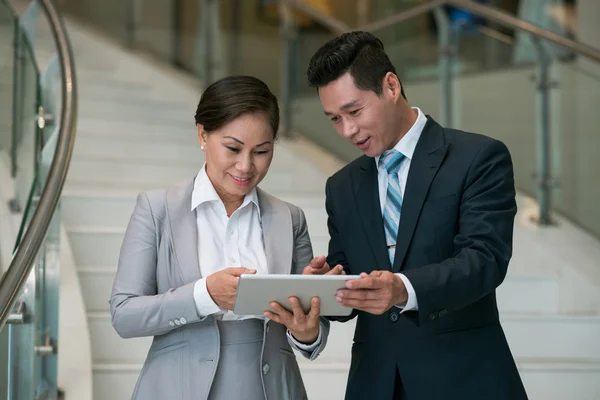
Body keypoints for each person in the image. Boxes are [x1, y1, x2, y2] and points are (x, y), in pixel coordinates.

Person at [303, 31, 528, 400]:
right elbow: (351, 280)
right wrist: (323, 290)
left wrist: (402, 289)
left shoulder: (478, 157)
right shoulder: (342, 186)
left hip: (464, 380)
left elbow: (485, 260)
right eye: (334, 119)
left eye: (355, 112)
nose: (348, 130)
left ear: (391, 86)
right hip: (374, 384)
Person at [110, 75, 331, 400]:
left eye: (262, 151)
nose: (245, 166)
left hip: (270, 388)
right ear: (202, 134)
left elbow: (310, 334)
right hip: (177, 388)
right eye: (233, 148)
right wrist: (206, 295)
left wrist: (308, 327)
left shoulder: (289, 218)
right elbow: (124, 315)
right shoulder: (157, 209)